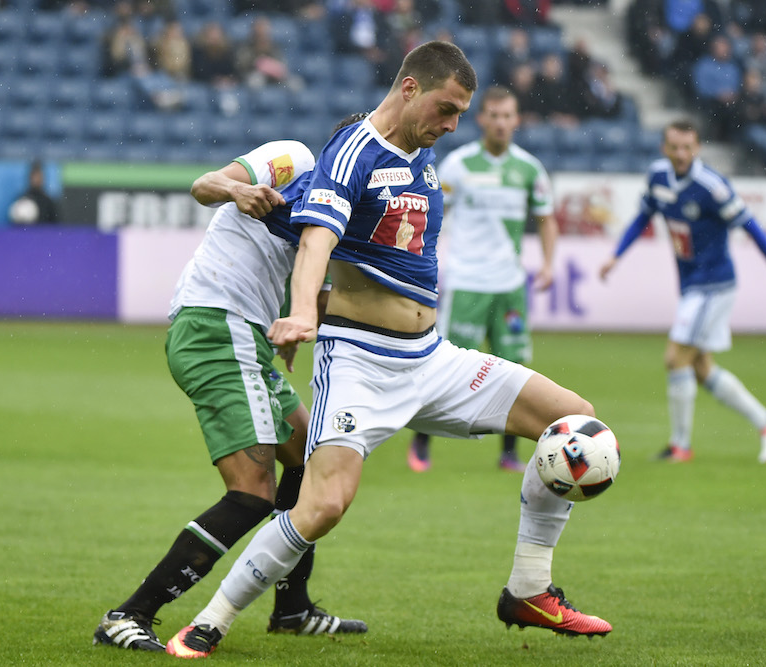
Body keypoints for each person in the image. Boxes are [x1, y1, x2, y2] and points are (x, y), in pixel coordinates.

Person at [164, 40, 613, 659]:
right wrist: (300, 313)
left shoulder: (423, 155)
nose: (454, 124)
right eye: (448, 108)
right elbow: (318, 240)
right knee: (322, 506)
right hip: (360, 365)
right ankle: (211, 620)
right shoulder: (353, 151)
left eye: (461, 113)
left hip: (431, 357)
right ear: (409, 88)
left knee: (578, 426)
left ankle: (529, 589)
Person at [93, 119, 371, 653]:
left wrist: (301, 320)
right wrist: (238, 189)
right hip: (217, 323)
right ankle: (128, 615)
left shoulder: (345, 209)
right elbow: (204, 185)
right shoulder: (292, 158)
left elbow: (312, 286)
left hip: (246, 335)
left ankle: (292, 608)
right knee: (251, 494)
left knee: (310, 454)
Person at [599, 119, 766, 464]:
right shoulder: (658, 177)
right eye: (674, 147)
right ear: (664, 148)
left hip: (713, 284)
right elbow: (642, 217)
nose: (680, 154)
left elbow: (752, 228)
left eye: (687, 147)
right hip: (691, 284)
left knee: (676, 358)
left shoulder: (712, 187)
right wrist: (616, 256)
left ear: (697, 148)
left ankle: (680, 447)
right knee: (701, 367)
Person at [407, 85, 557, 474]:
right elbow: (430, 214)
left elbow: (545, 218)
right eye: (495, 115)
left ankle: (509, 455)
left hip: (509, 285)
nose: (502, 123)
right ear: (482, 119)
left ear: (516, 120)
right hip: (468, 282)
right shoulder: (458, 166)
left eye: (508, 116)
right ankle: (421, 443)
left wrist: (549, 263)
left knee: (515, 367)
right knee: (446, 368)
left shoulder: (528, 169)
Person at [8, 160, 59, 225]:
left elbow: (56, 226)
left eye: (39, 177)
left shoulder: (49, 202)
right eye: (34, 177)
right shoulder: (22, 199)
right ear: (30, 178)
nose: (36, 180)